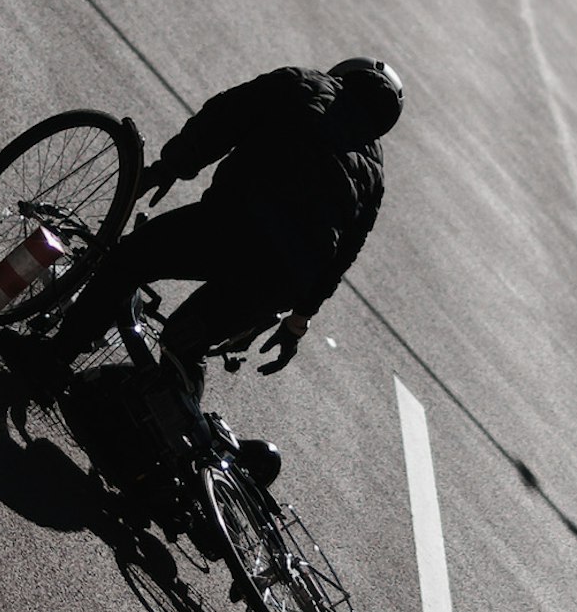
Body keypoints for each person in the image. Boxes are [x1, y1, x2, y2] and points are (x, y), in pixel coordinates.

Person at [71, 55, 400, 376]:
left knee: (129, 260)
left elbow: (223, 119)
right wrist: (298, 321)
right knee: (184, 340)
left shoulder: (303, 83)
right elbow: (341, 257)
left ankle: (49, 360)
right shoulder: (375, 177)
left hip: (232, 226)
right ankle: (181, 423)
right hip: (283, 279)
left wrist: (170, 166)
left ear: (343, 74)